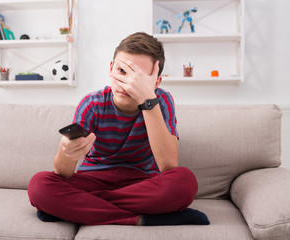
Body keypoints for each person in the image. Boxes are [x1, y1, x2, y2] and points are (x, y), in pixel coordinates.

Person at [28, 32, 209, 226]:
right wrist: (66, 152)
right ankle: (140, 218)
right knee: (39, 185)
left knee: (185, 182)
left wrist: (147, 101)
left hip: (141, 182)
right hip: (93, 179)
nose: (127, 84)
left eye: (138, 77)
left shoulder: (161, 101)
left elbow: (168, 165)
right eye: (122, 71)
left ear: (155, 82)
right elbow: (63, 172)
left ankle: (78, 209)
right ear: (111, 68)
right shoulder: (92, 104)